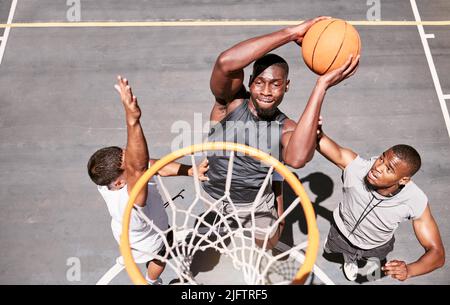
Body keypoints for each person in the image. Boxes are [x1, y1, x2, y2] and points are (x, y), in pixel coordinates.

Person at [202, 16, 360, 248]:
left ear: (286, 86)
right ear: (251, 81)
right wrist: (291, 33)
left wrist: (321, 86)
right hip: (211, 192)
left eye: (275, 84)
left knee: (269, 242)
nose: (266, 91)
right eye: (260, 83)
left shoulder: (286, 127)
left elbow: (296, 159)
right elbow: (226, 62)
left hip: (253, 203)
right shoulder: (231, 102)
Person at [87, 76, 208, 284]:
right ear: (119, 182)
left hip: (125, 232)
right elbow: (140, 166)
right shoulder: (132, 198)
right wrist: (132, 119)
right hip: (151, 240)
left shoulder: (104, 180)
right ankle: (152, 281)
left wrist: (190, 171)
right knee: (161, 256)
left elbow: (151, 166)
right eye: (129, 164)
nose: (134, 159)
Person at [316, 117, 445, 281]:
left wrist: (410, 270)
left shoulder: (415, 201)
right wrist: (316, 131)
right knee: (333, 249)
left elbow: (437, 254)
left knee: (371, 258)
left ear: (403, 180)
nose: (377, 167)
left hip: (376, 245)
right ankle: (349, 259)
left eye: (389, 169)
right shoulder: (357, 168)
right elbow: (319, 140)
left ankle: (357, 258)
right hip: (341, 231)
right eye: (381, 158)